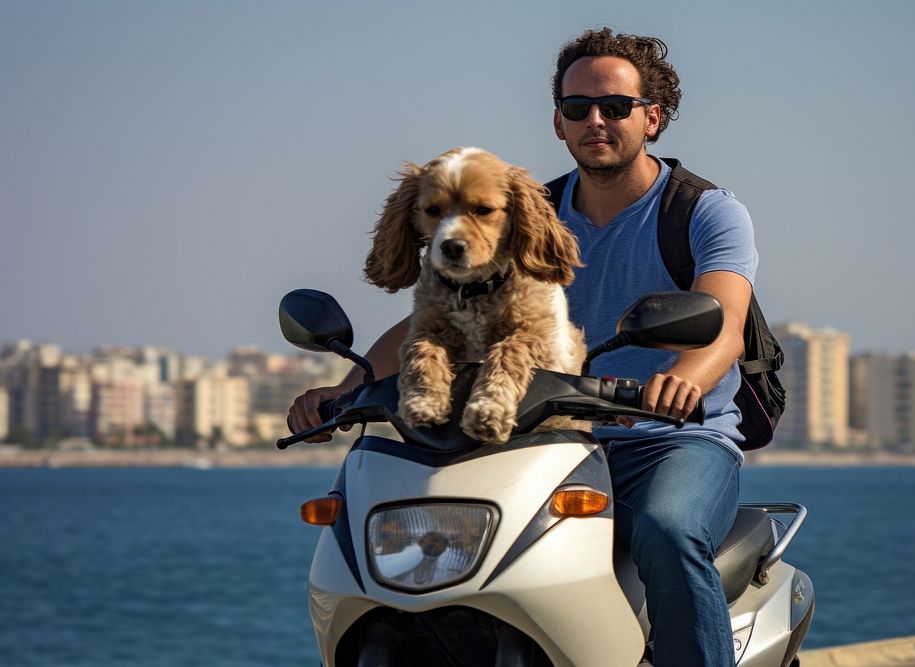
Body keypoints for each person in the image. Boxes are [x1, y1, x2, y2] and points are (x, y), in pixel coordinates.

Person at [288, 27, 757, 666]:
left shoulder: (703, 211)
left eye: (615, 107)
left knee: (668, 531)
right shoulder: (524, 210)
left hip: (669, 439)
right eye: (577, 108)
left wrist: (684, 380)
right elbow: (440, 308)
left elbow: (725, 324)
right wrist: (347, 390)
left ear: (653, 117)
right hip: (546, 440)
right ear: (558, 123)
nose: (596, 120)